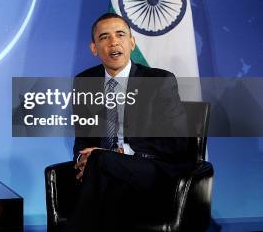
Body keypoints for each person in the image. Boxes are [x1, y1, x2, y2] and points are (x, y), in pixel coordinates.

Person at [64, 13, 194, 231]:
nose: (113, 42)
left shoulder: (159, 81)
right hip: (107, 175)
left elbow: (177, 142)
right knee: (110, 182)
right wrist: (81, 160)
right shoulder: (84, 82)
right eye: (104, 37)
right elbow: (82, 138)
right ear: (94, 48)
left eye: (120, 35)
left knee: (101, 161)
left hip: (149, 168)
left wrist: (122, 151)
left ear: (131, 43)